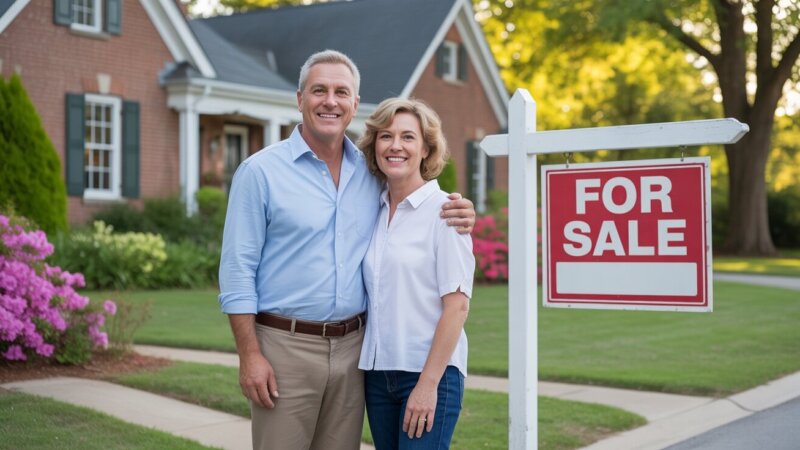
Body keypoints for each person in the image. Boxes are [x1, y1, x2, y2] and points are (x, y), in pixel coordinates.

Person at [218, 50, 475, 450]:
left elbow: (422, 211)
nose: (330, 101)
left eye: (342, 92)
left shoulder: (370, 175)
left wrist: (462, 210)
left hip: (354, 353)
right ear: (299, 98)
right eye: (319, 90)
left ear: (355, 104)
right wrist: (249, 355)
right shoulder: (260, 173)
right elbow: (237, 270)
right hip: (286, 347)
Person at [357, 98, 475, 449]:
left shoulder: (446, 213)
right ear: (374, 145)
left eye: (408, 137)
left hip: (429, 374)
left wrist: (427, 384)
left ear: (426, 149)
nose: (395, 146)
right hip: (378, 376)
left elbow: (457, 307)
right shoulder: (372, 210)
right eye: (386, 136)